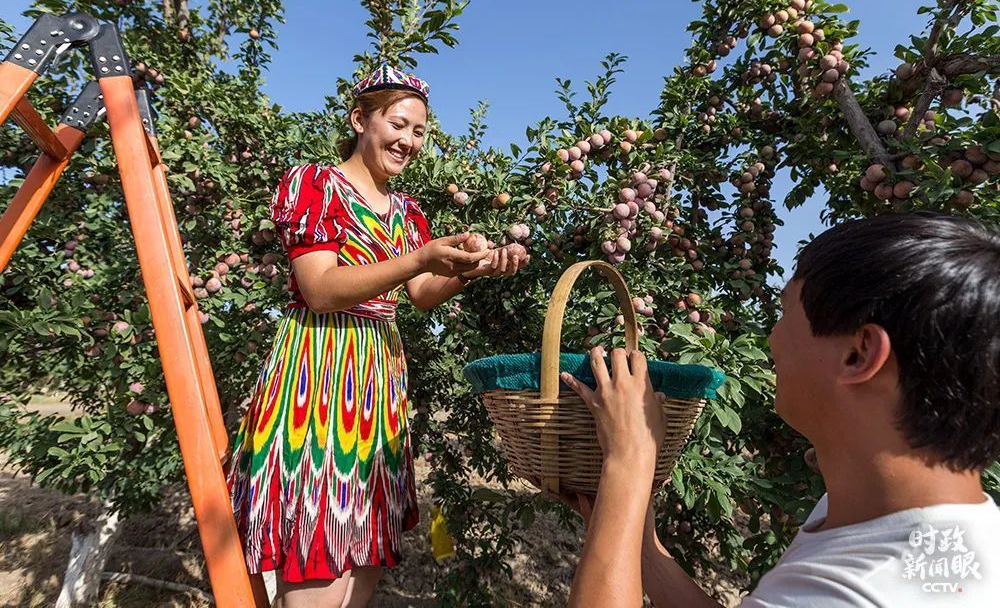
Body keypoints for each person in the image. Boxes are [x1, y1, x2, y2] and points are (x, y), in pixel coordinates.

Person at [560, 212, 1000, 607]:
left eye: (786, 313)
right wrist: (640, 546)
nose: (771, 337)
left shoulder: (856, 590)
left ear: (858, 354)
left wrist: (630, 462)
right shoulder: (894, 520)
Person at [226, 64, 529, 607]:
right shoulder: (315, 184)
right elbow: (319, 289)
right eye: (398, 124)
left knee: (363, 542)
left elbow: (420, 294)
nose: (409, 141)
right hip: (319, 372)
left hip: (376, 383)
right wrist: (419, 257)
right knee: (318, 543)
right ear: (359, 119)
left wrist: (472, 269)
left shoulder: (408, 211)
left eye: (419, 132)